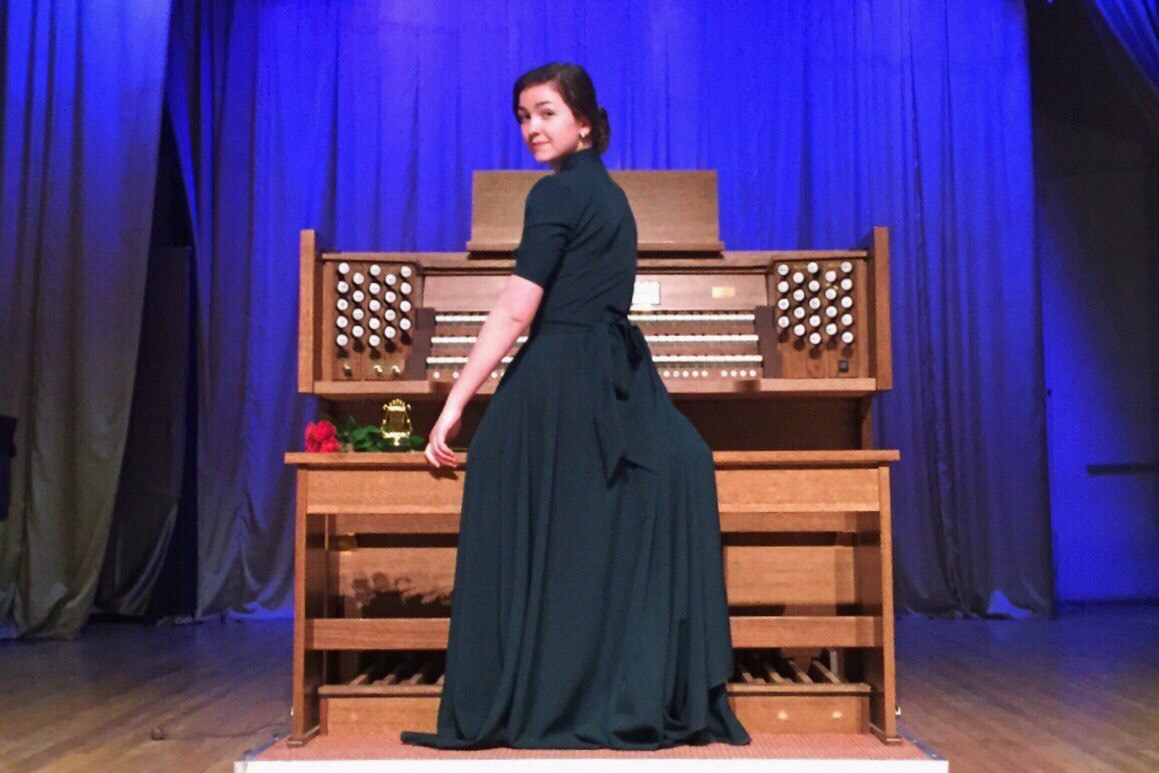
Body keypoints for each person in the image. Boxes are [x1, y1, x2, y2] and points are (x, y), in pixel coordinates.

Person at [399, 62, 750, 750]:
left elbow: (516, 307)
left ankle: (531, 689)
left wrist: (453, 403)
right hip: (612, 378)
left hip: (561, 374)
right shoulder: (611, 196)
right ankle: (603, 681)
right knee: (603, 511)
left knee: (498, 475)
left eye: (546, 113)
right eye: (523, 117)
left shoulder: (555, 193)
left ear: (584, 123)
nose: (532, 127)